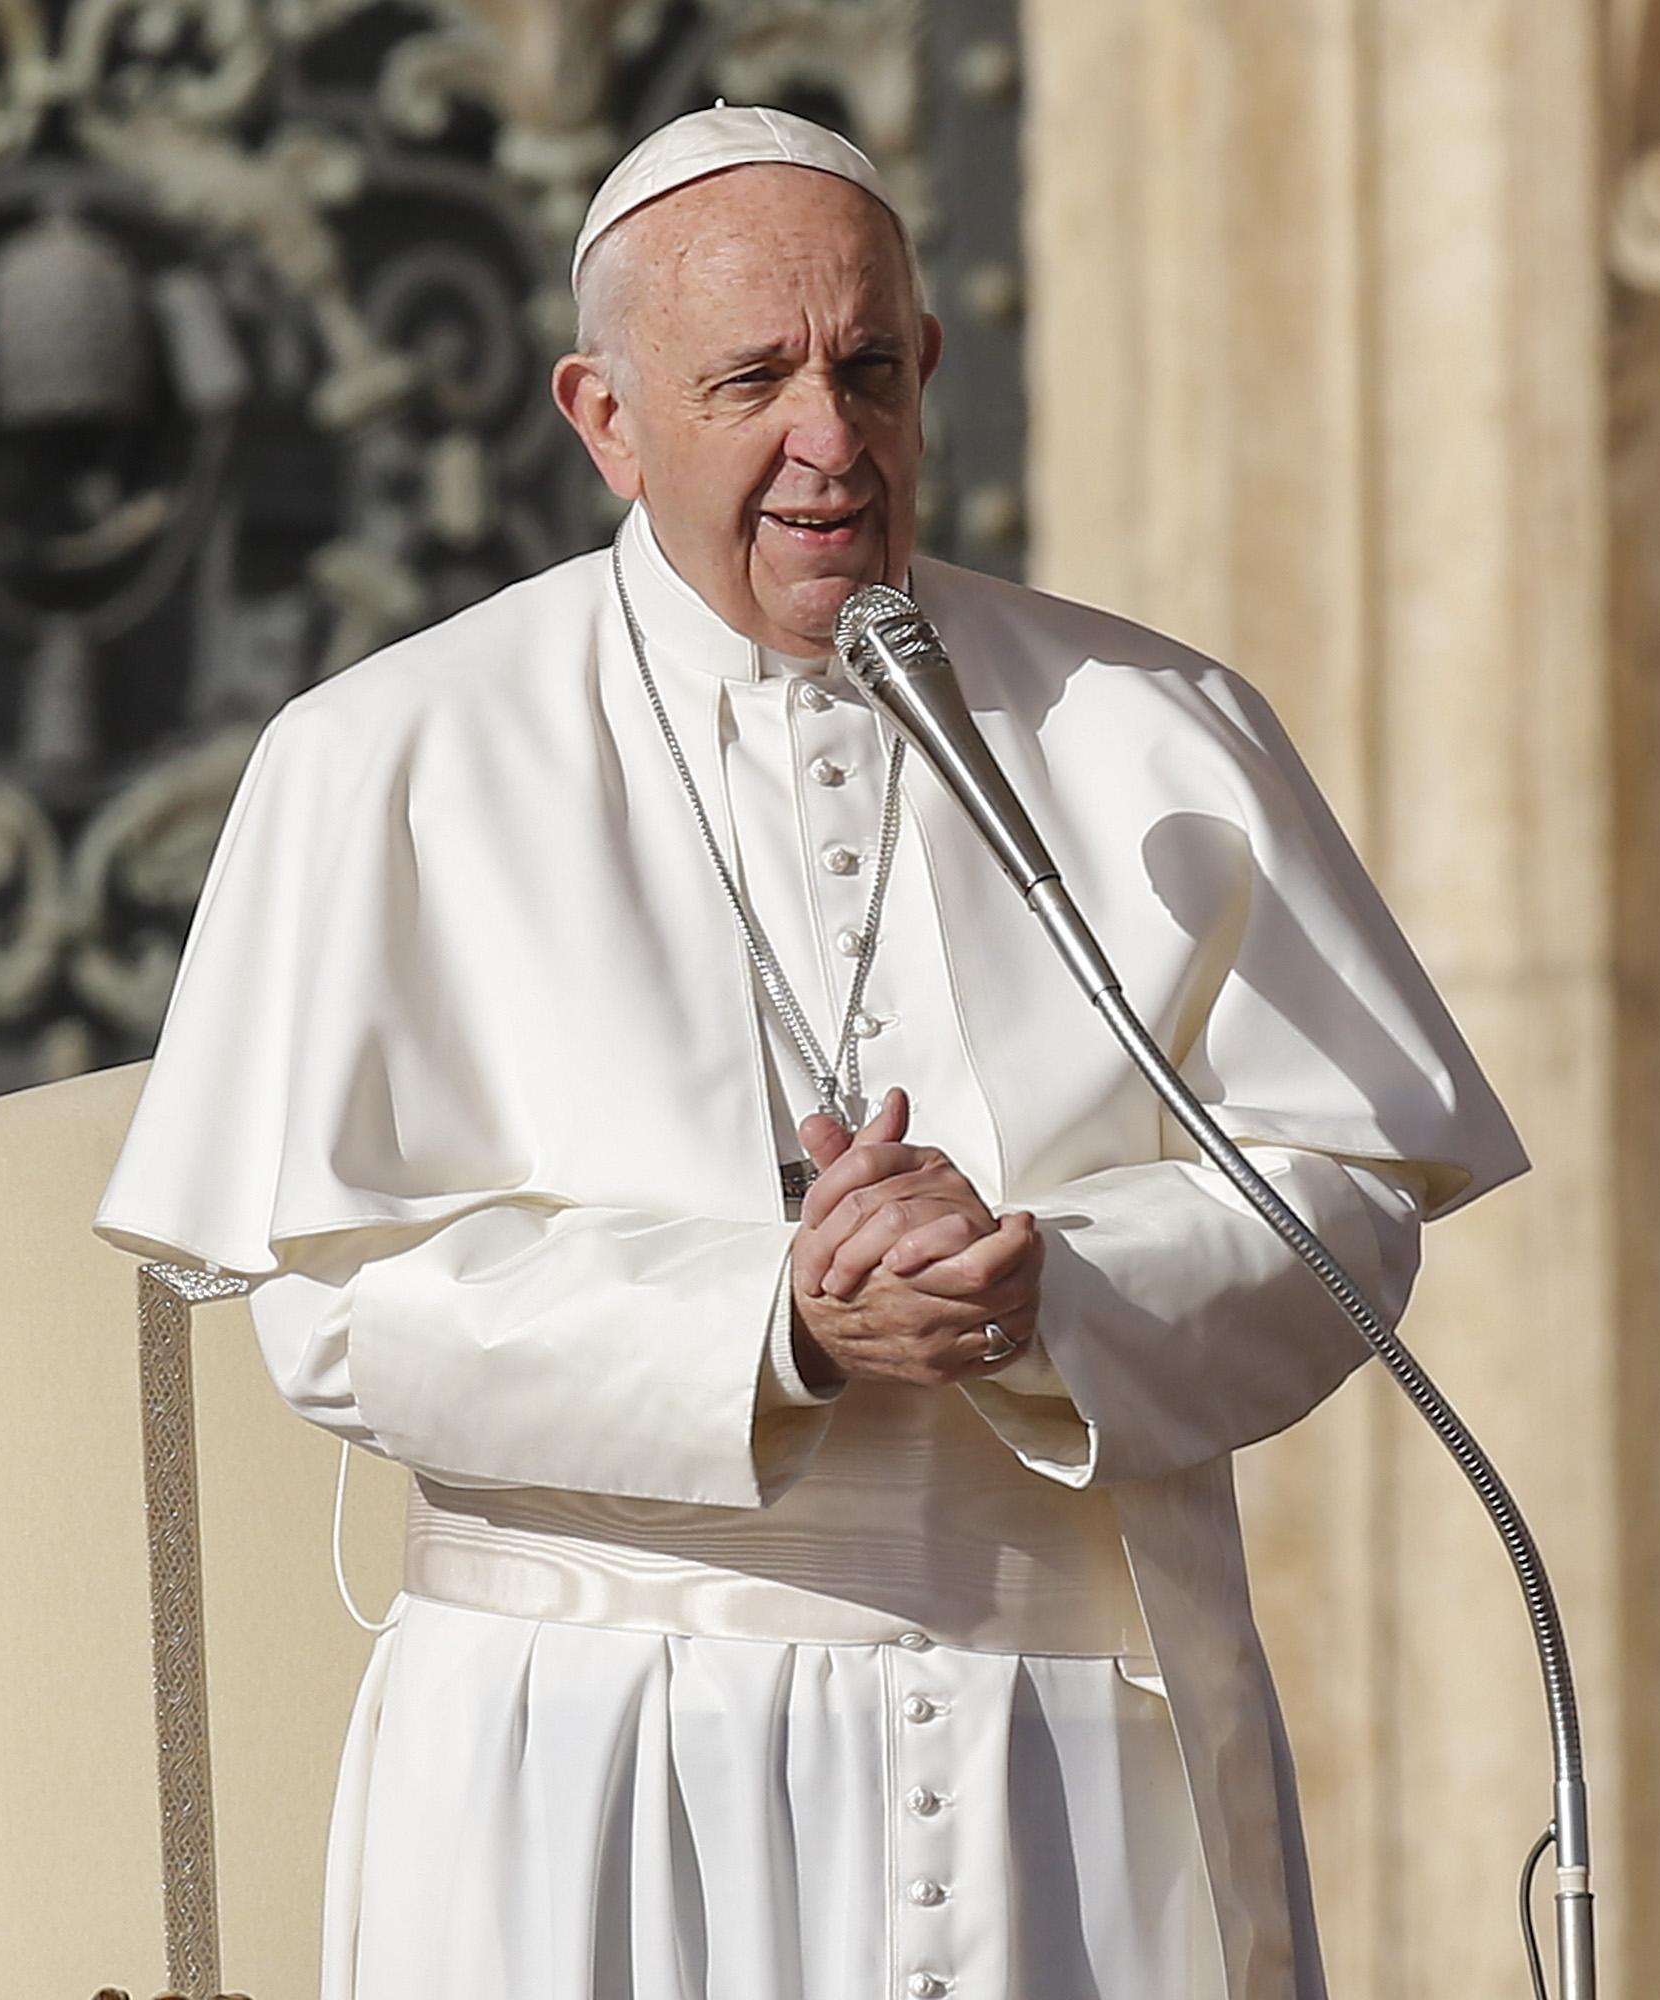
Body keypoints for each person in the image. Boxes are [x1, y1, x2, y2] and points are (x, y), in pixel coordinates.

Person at [95, 104, 1526, 2000]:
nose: (827, 444)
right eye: (751, 380)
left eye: (865, 370)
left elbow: (1348, 1198)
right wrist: (773, 1316)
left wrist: (1049, 1289)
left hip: (1058, 1750)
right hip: (585, 1768)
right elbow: (338, 1311)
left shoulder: (1154, 728)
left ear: (931, 365)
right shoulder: (397, 756)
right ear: (601, 415)